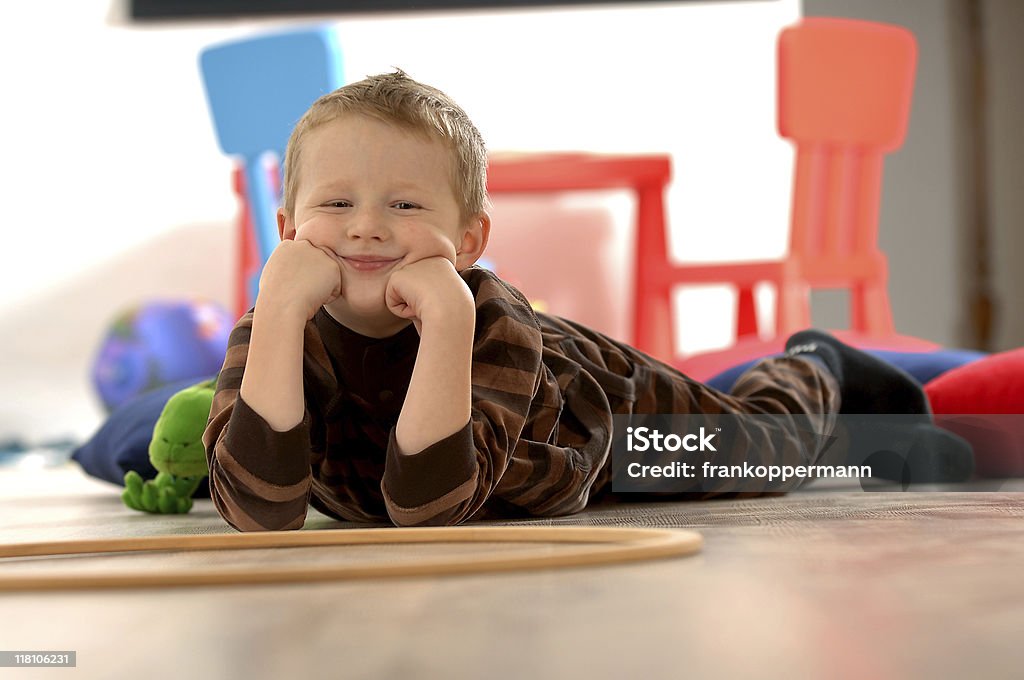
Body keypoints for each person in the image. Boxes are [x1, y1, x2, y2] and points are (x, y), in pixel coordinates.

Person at [202, 70, 970, 531]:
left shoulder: (486, 318)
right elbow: (258, 513)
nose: (366, 228)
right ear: (288, 227)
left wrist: (447, 321)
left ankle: (815, 365)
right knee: (839, 459)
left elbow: (428, 513)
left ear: (467, 243)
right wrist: (276, 315)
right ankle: (875, 448)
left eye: (405, 207)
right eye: (336, 204)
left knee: (763, 452)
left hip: (613, 425)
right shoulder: (271, 327)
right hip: (490, 464)